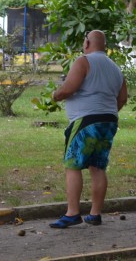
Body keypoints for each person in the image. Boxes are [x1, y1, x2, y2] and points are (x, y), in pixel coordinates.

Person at [48, 30, 128, 229]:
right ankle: (95, 214)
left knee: (73, 165)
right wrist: (106, 112)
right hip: (108, 121)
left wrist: (55, 95)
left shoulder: (83, 61)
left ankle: (73, 213)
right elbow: (123, 98)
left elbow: (69, 88)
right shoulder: (116, 68)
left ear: (87, 43)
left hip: (84, 121)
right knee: (98, 166)